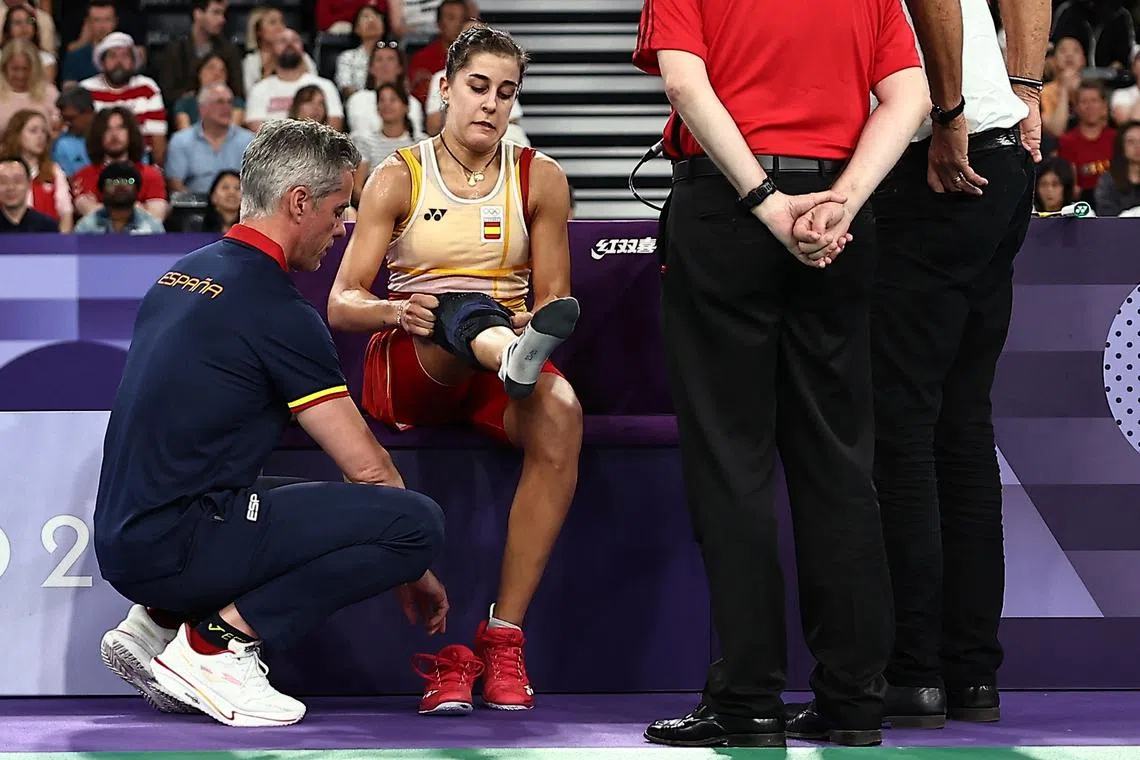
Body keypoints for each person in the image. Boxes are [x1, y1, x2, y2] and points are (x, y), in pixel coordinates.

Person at [632, 0, 930, 748]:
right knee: (838, 465)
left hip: (728, 213)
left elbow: (685, 86)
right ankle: (854, 704)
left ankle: (749, 704)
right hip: (839, 216)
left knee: (733, 468)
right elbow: (911, 96)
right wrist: (842, 203)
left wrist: (767, 204)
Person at [94, 119, 448, 728]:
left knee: (287, 495)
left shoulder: (180, 275)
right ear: (299, 202)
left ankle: (154, 623)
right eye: (340, 210)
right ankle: (215, 646)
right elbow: (367, 467)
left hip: (125, 538)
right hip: (176, 546)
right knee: (415, 521)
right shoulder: (281, 311)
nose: (343, 229)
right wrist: (413, 564)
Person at [327, 23, 580, 716]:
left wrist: (536, 320)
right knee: (457, 306)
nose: (491, 105)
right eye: (477, 87)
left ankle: (503, 639)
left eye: (506, 92)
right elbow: (342, 301)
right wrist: (389, 312)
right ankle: (506, 353)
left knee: (564, 414)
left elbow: (555, 299)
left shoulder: (543, 178)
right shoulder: (396, 175)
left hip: (493, 378)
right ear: (444, 88)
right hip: (415, 360)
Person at [865, 0, 1049, 730]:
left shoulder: (942, 122)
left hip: (934, 155)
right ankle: (970, 673)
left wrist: (949, 113)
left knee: (904, 430)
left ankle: (913, 671)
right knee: (961, 429)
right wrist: (1025, 88)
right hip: (1000, 152)